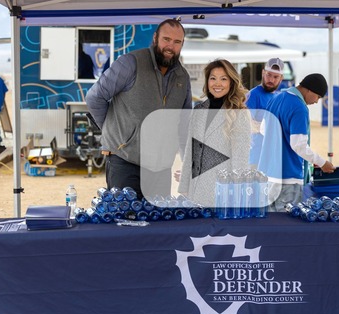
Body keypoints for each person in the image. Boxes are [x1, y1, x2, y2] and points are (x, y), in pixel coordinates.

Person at [86, 19, 192, 198]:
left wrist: (187, 163)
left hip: (161, 168)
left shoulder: (183, 77)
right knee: (124, 221)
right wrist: (114, 134)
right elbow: (95, 97)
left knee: (157, 223)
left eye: (177, 42)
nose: (170, 46)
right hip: (125, 161)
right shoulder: (130, 63)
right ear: (155, 37)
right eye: (166, 39)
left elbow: (184, 123)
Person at [257, 73, 335, 211]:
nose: (316, 101)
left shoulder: (276, 98)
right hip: (288, 176)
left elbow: (263, 129)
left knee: (269, 223)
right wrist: (322, 163)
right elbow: (298, 145)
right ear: (310, 90)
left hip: (268, 173)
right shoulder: (299, 107)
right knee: (287, 225)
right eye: (317, 96)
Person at [178, 59, 251, 206]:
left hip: (222, 193)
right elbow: (189, 151)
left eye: (223, 79)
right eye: (213, 78)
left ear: (231, 82)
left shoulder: (239, 113)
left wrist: (236, 195)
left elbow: (240, 158)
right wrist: (184, 187)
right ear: (207, 81)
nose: (217, 83)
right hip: (195, 190)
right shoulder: (198, 110)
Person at [247, 57, 284, 167]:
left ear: (281, 78)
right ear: (263, 73)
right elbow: (246, 124)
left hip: (272, 158)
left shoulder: (278, 98)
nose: (271, 80)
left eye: (275, 77)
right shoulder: (253, 95)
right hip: (255, 159)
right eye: (268, 75)